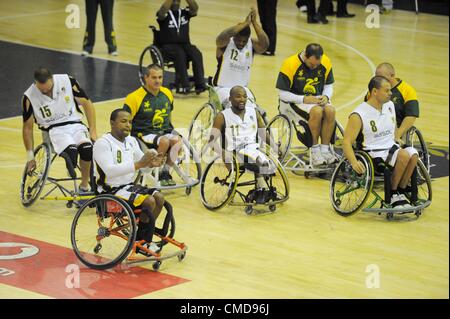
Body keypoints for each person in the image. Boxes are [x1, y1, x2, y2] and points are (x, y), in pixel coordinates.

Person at [93, 109, 165, 254]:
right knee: (149, 201)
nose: (128, 125)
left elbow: (143, 168)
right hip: (109, 192)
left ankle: (142, 238)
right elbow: (110, 170)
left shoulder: (131, 141)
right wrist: (140, 164)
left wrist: (152, 164)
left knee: (159, 198)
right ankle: (142, 242)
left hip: (127, 187)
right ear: (112, 123)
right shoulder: (102, 143)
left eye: (130, 122)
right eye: (123, 121)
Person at [343, 76, 418, 208]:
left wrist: (396, 137)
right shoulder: (358, 114)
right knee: (404, 155)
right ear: (374, 92)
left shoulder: (389, 105)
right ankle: (393, 193)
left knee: (413, 154)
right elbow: (347, 142)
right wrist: (354, 162)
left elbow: (392, 126)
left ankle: (401, 189)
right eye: (387, 90)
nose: (391, 93)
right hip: (373, 153)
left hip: (390, 146)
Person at [22, 67, 97, 194]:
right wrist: (30, 157)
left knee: (87, 149)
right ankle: (71, 164)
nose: (45, 91)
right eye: (42, 90)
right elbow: (27, 128)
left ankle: (84, 187)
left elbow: (87, 104)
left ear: (52, 79)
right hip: (53, 130)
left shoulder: (67, 81)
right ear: (35, 83)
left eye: (48, 89)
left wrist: (93, 131)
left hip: (75, 124)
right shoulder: (29, 97)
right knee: (72, 152)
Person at [208, 86, 276, 204]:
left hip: (252, 148)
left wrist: (274, 145)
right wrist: (222, 152)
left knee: (263, 159)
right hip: (234, 151)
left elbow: (263, 133)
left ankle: (262, 190)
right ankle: (260, 189)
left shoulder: (254, 112)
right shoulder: (221, 116)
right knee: (259, 160)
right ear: (230, 99)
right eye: (238, 96)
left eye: (245, 96)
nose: (242, 99)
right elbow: (211, 141)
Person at [276, 43, 338, 166]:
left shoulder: (325, 61)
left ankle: (325, 150)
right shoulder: (289, 64)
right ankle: (314, 151)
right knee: (317, 111)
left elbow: (329, 85)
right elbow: (282, 94)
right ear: (305, 56)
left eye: (317, 65)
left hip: (316, 99)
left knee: (331, 111)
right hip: (294, 101)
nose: (314, 67)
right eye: (311, 64)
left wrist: (326, 96)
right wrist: (303, 99)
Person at [123, 64, 181, 187]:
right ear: (146, 78)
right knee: (164, 141)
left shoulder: (167, 93)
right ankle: (156, 169)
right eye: (154, 78)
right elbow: (125, 121)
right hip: (144, 133)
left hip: (163, 131)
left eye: (160, 77)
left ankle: (165, 172)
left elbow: (169, 115)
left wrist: (171, 130)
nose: (158, 81)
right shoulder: (134, 97)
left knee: (177, 141)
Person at [212, 8, 269, 109]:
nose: (241, 43)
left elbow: (265, 45)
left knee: (257, 113)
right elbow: (221, 36)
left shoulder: (251, 44)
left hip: (243, 90)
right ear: (234, 37)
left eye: (244, 41)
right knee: (234, 109)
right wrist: (244, 24)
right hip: (223, 88)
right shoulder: (225, 43)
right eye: (239, 40)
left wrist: (254, 23)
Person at [156, 0, 206, 94]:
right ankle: (184, 84)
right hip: (168, 46)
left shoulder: (184, 12)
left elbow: (195, 8)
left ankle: (200, 84)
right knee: (179, 53)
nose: (176, 2)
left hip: (185, 45)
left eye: (177, 0)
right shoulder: (164, 13)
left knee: (196, 53)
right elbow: (162, 11)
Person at [372, 62, 419, 141]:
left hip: (397, 130)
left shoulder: (407, 90)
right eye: (377, 77)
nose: (378, 81)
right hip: (377, 128)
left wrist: (397, 135)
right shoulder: (374, 89)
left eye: (382, 78)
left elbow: (411, 116)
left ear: (392, 76)